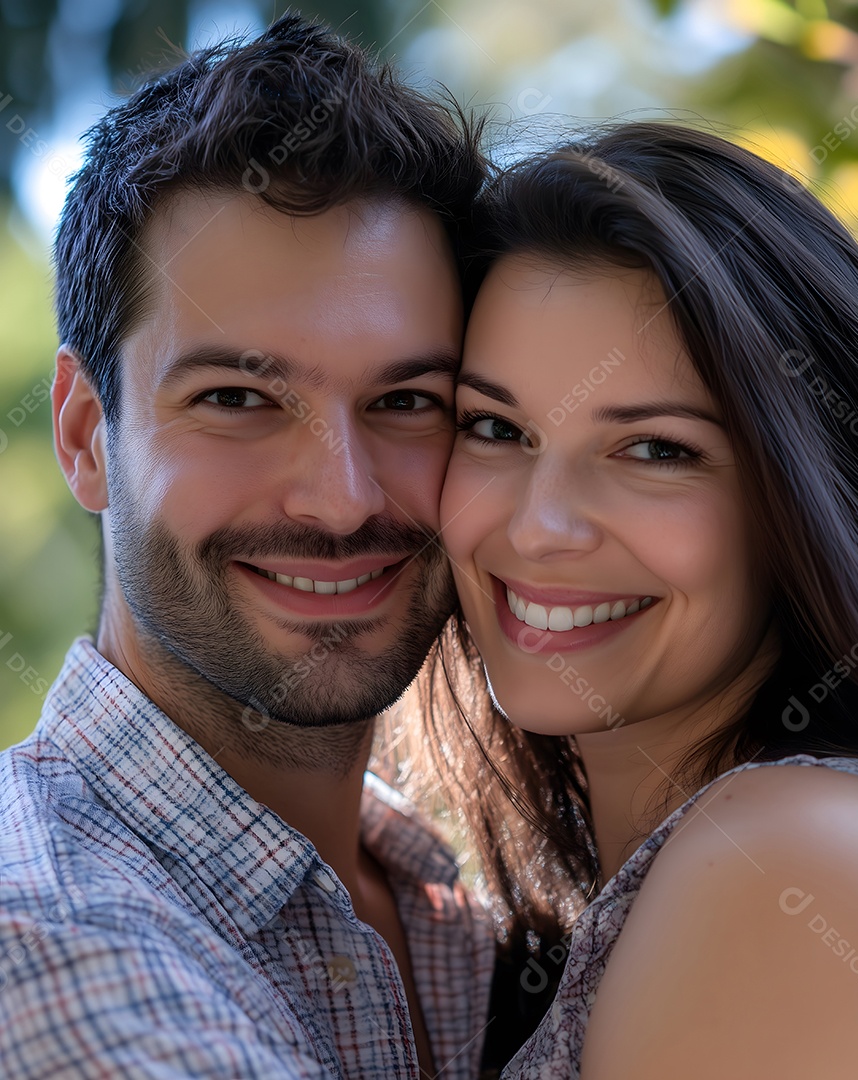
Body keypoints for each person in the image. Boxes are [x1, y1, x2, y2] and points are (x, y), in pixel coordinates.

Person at [0, 13, 498, 1078]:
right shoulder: (44, 942)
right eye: (237, 397)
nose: (341, 499)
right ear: (88, 436)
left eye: (408, 400)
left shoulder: (460, 910)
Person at [432, 122, 858, 1077]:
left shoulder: (779, 864)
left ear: (802, 491)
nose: (542, 527)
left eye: (657, 450)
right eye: (495, 427)